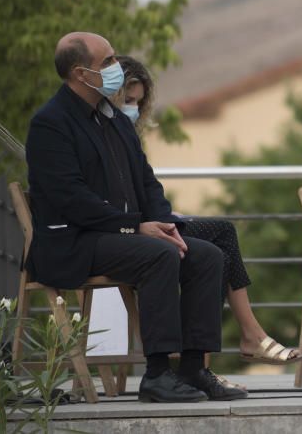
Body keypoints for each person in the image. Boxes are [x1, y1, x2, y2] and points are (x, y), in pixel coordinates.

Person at [25, 32, 247, 402]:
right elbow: (71, 198)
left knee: (207, 254)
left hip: (118, 236)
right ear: (81, 74)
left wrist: (166, 225)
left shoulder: (115, 122)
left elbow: (148, 184)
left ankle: (193, 369)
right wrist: (135, 226)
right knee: (157, 255)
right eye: (108, 61)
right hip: (74, 243)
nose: (117, 67)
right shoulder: (50, 123)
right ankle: (157, 374)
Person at [112, 55, 302, 365]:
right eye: (127, 100)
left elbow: (150, 188)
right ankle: (244, 338)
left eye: (137, 102)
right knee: (215, 246)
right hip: (126, 232)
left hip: (150, 224)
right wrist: (145, 224)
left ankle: (229, 345)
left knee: (220, 236)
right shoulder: (103, 135)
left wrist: (165, 221)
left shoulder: (128, 137)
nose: (132, 109)